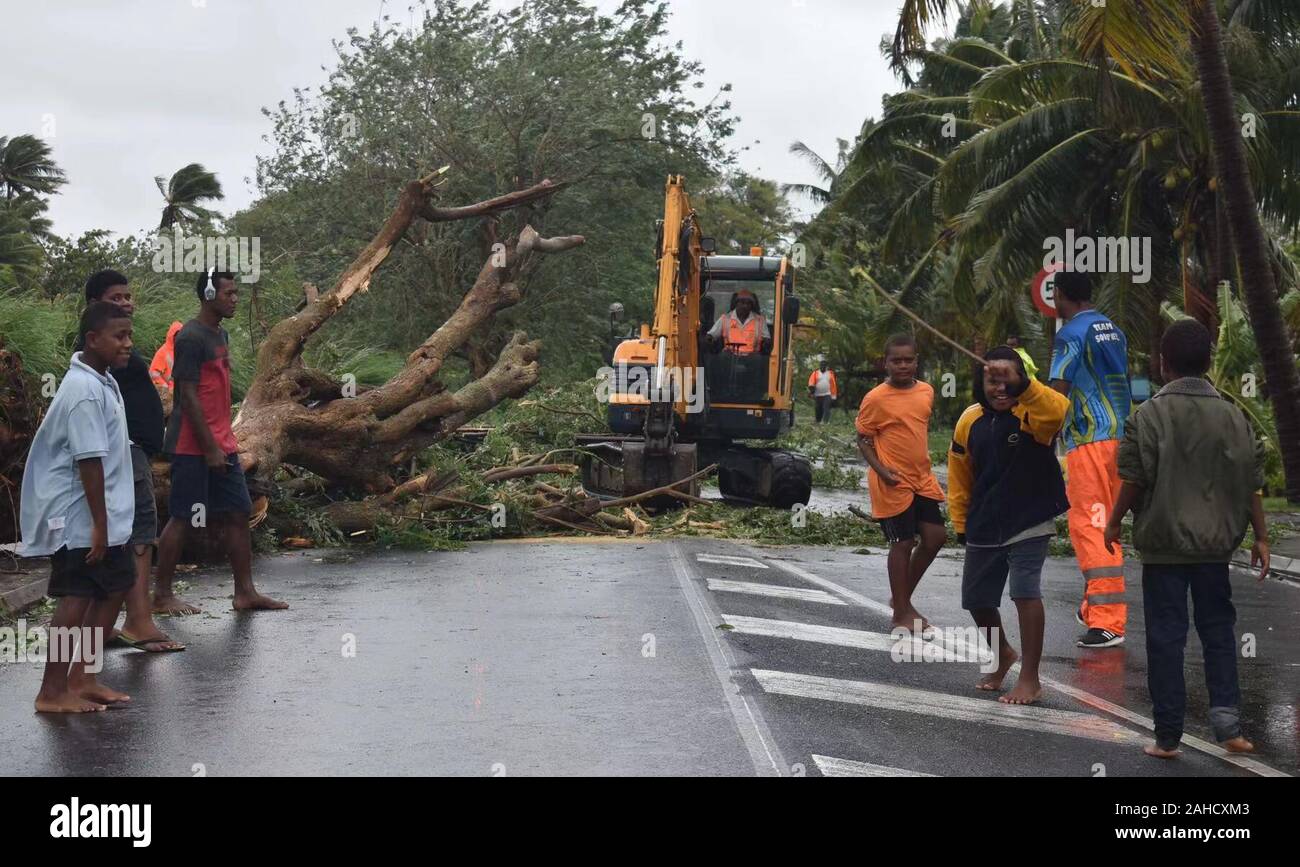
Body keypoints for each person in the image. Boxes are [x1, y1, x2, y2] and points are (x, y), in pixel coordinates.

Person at [1104, 319, 1266, 758]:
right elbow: (1252, 481)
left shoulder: (1147, 416)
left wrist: (1114, 520)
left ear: (1163, 362)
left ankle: (1168, 735)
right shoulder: (1235, 416)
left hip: (1164, 547)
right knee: (1218, 632)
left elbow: (1134, 479)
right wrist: (1262, 538)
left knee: (1165, 637)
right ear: (1209, 362)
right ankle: (1228, 726)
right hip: (1216, 548)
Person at [22, 302, 137, 712]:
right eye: (118, 337)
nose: (128, 344)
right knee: (77, 594)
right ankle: (51, 692)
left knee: (115, 584)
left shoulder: (101, 380)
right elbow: (88, 461)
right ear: (92, 339)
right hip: (79, 516)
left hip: (104, 513)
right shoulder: (83, 391)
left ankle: (83, 677)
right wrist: (100, 526)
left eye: (129, 335)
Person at [153, 269, 287, 614]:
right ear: (209, 295)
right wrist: (209, 445)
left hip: (223, 443)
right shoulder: (190, 337)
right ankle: (162, 595)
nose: (235, 299)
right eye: (229, 293)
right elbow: (188, 394)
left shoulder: (220, 334)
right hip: (192, 445)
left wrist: (224, 441)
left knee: (239, 512)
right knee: (184, 516)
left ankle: (245, 593)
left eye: (237, 293)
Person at [948, 347, 1070, 704]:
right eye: (992, 380)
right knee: (976, 599)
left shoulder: (1032, 412)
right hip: (985, 520)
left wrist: (1025, 385)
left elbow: (1058, 411)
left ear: (1020, 380)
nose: (1000, 388)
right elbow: (960, 476)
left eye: (1007, 380)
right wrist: (960, 521)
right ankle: (1002, 653)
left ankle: (1030, 676)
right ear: (979, 382)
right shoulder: (969, 420)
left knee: (1024, 592)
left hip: (1030, 518)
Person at [83, 271, 184, 653]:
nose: (126, 303)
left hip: (133, 449)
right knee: (140, 532)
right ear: (95, 306)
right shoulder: (103, 350)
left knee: (125, 536)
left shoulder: (111, 345)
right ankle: (138, 621)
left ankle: (104, 624)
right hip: (126, 451)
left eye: (128, 296)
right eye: (116, 297)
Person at [1049, 270, 1132, 648]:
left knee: (1090, 527)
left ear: (1060, 295)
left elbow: (1059, 391)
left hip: (1088, 441)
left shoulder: (1068, 334)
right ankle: (1092, 606)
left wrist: (1043, 433)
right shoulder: (1113, 330)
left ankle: (1108, 621)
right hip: (1121, 440)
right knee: (1108, 525)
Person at [855, 334, 946, 633]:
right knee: (902, 543)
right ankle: (902, 614)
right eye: (897, 360)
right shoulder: (876, 398)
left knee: (935, 538)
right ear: (886, 363)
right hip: (891, 482)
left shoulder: (927, 391)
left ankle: (900, 599)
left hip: (922, 478)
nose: (903, 365)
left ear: (916, 362)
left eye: (908, 360)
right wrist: (882, 470)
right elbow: (863, 438)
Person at [706, 289, 771, 355]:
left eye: (748, 303)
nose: (745, 306)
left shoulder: (760, 320)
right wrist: (710, 341)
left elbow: (767, 340)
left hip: (752, 358)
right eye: (742, 302)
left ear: (752, 306)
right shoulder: (725, 319)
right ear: (736, 303)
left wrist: (765, 344)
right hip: (730, 358)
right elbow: (711, 335)